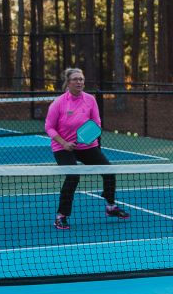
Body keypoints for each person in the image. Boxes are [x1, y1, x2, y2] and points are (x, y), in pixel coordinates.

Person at [45, 68, 131, 231]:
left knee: (108, 171)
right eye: (75, 79)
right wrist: (64, 143)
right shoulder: (59, 103)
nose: (79, 82)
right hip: (62, 147)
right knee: (73, 176)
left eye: (81, 79)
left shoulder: (90, 100)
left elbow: (96, 123)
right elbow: (49, 127)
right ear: (68, 83)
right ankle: (61, 216)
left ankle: (111, 207)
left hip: (87, 146)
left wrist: (86, 138)